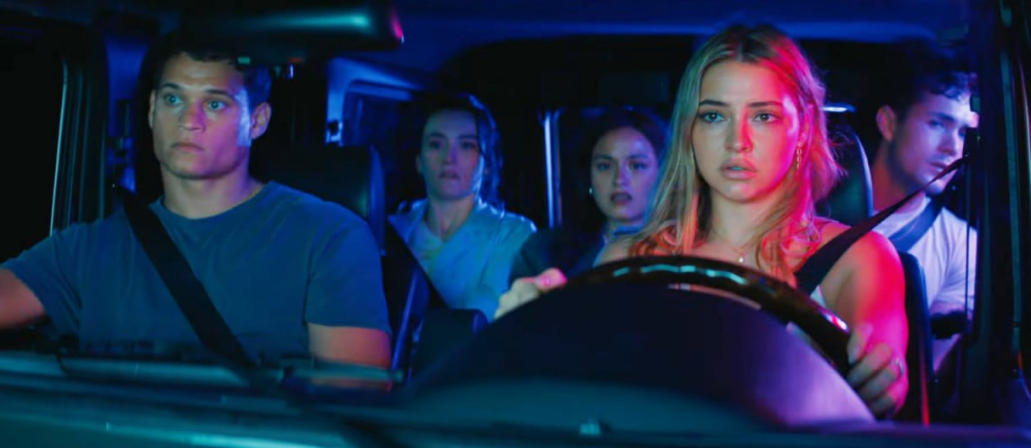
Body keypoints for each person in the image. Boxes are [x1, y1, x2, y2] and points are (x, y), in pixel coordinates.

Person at [496, 24, 908, 417]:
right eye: (714, 116)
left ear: (801, 130)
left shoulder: (856, 257)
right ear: (689, 131)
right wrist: (533, 333)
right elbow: (585, 395)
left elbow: (879, 358)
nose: (737, 141)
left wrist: (879, 378)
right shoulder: (630, 259)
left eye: (764, 116)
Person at [0, 36, 393, 375]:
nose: (188, 121)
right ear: (152, 110)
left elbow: (352, 400)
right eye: (174, 99)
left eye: (214, 104)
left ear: (256, 121)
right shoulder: (88, 249)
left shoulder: (328, 237)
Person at [388, 93, 536, 320]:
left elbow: (478, 319)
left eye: (466, 145)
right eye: (436, 144)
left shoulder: (512, 234)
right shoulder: (390, 231)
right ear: (418, 161)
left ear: (486, 164)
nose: (450, 158)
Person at [866, 41, 978, 319]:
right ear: (888, 123)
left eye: (962, 132)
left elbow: (932, 347)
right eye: (937, 124)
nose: (953, 147)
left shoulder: (961, 245)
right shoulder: (812, 212)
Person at [510, 107, 667, 281]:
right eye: (605, 166)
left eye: (636, 166)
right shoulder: (543, 254)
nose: (619, 179)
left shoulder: (686, 249)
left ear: (664, 174)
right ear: (588, 177)